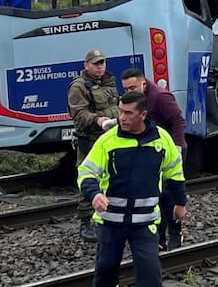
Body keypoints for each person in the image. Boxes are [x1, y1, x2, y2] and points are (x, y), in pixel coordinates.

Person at [78, 91, 187, 287]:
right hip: (111, 222)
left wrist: (180, 203)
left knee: (150, 274)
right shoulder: (108, 140)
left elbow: (175, 173)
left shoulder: (161, 140)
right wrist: (94, 195)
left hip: (145, 223)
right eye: (120, 112)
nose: (122, 117)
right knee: (105, 273)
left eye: (128, 113)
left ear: (143, 115)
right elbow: (86, 171)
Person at [121, 68, 188, 250]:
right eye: (126, 89)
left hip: (169, 150)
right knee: (153, 196)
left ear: (143, 83)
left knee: (170, 196)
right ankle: (158, 238)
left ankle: (175, 234)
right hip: (148, 153)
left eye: (133, 87)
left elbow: (178, 121)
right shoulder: (131, 103)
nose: (129, 92)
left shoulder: (160, 97)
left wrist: (176, 147)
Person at [67, 48, 119, 242]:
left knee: (111, 176)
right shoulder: (78, 87)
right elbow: (79, 114)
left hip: (112, 137)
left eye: (102, 63)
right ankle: (86, 222)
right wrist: (98, 120)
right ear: (86, 65)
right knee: (88, 175)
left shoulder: (109, 82)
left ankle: (108, 217)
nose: (100, 67)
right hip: (90, 139)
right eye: (96, 64)